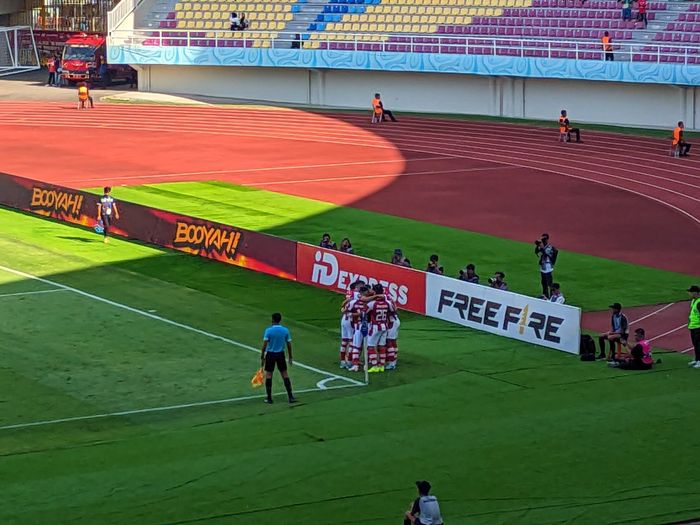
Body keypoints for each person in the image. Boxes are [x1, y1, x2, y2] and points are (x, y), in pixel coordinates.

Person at [260, 312, 296, 404]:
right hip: (280, 354)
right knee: (285, 374)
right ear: (280, 320)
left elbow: (265, 345)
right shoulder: (285, 330)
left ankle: (269, 398)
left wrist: (262, 355)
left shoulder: (268, 330)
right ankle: (290, 396)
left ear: (272, 320)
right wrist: (290, 356)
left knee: (269, 374)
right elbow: (289, 344)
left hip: (271, 354)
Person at [366, 284, 392, 373]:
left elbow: (364, 312)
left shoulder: (372, 304)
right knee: (382, 346)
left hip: (375, 326)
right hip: (385, 325)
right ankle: (381, 365)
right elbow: (393, 310)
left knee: (370, 346)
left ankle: (375, 365)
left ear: (375, 292)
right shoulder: (387, 303)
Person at [347, 286, 372, 372]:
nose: (367, 294)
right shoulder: (354, 303)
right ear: (362, 293)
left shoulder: (370, 303)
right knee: (357, 346)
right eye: (366, 293)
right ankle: (356, 364)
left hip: (367, 326)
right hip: (359, 326)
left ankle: (364, 364)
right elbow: (346, 312)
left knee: (365, 346)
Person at [535, 232, 558, 298]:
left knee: (549, 283)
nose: (543, 240)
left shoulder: (549, 247)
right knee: (543, 283)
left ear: (547, 239)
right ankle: (545, 296)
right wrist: (537, 245)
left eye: (544, 239)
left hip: (548, 267)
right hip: (543, 267)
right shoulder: (542, 245)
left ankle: (552, 296)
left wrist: (541, 247)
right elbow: (536, 252)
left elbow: (545, 253)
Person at [687, 285, 700, 369]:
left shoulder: (699, 302)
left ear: (696, 293)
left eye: (691, 292)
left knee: (699, 345)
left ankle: (699, 361)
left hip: (698, 327)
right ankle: (696, 359)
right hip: (693, 326)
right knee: (695, 344)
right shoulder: (693, 301)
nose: (690, 293)